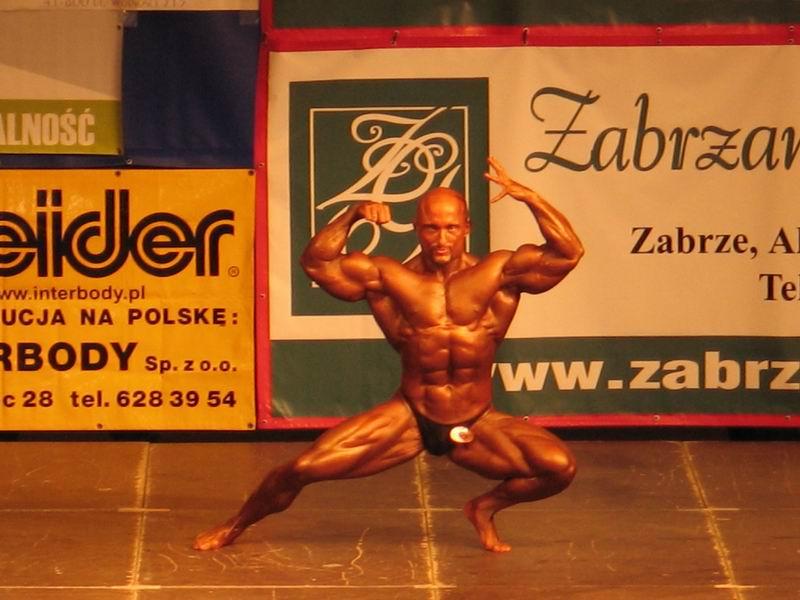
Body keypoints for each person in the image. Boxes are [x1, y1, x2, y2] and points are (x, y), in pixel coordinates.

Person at [194, 156, 584, 553]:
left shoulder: (499, 274)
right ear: (416, 228)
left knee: (558, 468)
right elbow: (317, 262)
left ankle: (484, 507)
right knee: (302, 468)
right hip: (410, 416)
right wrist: (353, 214)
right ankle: (235, 525)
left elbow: (568, 252)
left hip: (478, 420)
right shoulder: (389, 277)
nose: (442, 238)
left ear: (467, 227)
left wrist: (531, 198)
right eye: (431, 228)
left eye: (451, 228)